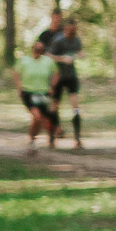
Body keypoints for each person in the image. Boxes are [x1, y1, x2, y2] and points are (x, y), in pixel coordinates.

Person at [44, 10, 83, 147]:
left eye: (75, 30)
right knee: (54, 106)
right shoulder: (58, 41)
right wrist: (62, 59)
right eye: (71, 31)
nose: (73, 33)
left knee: (76, 106)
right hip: (58, 77)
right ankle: (51, 138)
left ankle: (77, 138)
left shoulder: (77, 40)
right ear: (66, 29)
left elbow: (78, 51)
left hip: (71, 76)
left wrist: (80, 54)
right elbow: (48, 55)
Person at [15, 34, 57, 150]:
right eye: (37, 48)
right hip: (28, 92)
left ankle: (36, 139)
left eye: (41, 49)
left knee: (42, 119)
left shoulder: (48, 61)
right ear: (33, 48)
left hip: (43, 93)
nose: (39, 51)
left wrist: (52, 86)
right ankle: (32, 140)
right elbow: (16, 74)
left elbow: (56, 73)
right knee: (37, 117)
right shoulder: (24, 61)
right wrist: (19, 87)